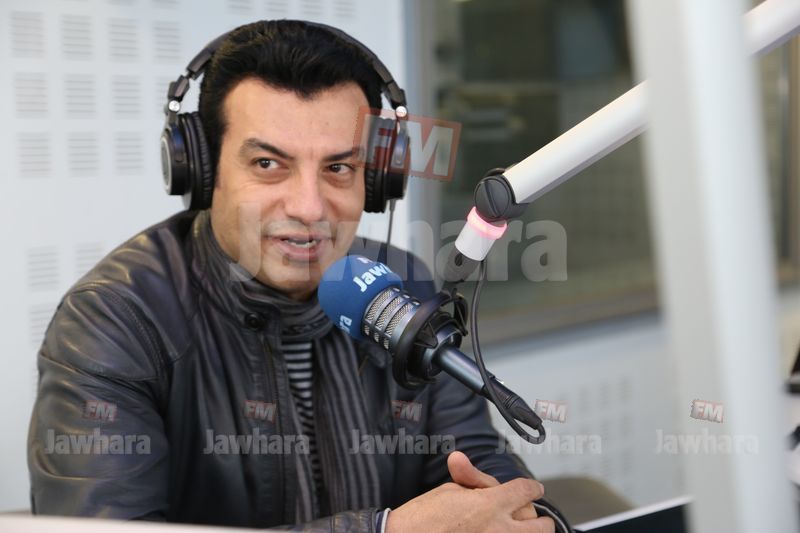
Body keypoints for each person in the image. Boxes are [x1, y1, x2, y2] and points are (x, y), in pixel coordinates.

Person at [27, 20, 558, 533]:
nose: (309, 207)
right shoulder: (113, 320)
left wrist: (512, 516)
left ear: (376, 180)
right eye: (267, 164)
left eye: (338, 168)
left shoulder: (402, 283)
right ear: (204, 173)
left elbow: (479, 462)